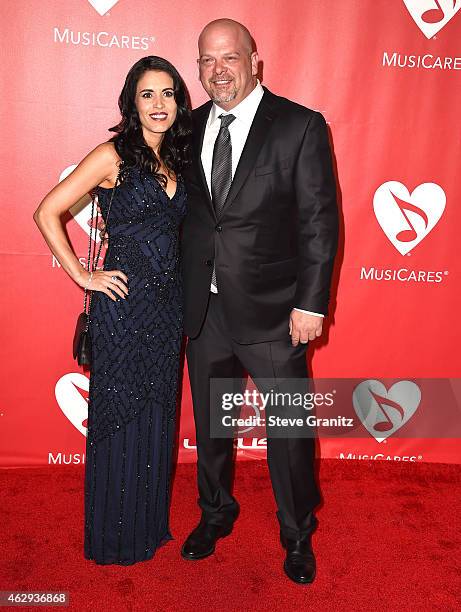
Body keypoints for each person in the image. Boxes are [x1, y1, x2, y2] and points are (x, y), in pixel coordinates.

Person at [180, 19, 338, 584]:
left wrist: (311, 304)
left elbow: (319, 222)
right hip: (205, 310)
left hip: (276, 312)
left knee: (291, 432)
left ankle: (298, 533)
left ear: (255, 61)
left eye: (228, 58)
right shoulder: (187, 127)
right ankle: (216, 513)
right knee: (211, 425)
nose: (217, 70)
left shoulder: (299, 126)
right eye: (206, 60)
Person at [34, 56, 191, 565]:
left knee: (156, 418)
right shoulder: (111, 155)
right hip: (122, 313)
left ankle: (147, 528)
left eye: (168, 93)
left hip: (167, 316)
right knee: (117, 419)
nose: (159, 104)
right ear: (131, 101)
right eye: (148, 94)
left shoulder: (179, 160)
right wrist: (82, 273)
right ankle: (112, 537)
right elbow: (47, 210)